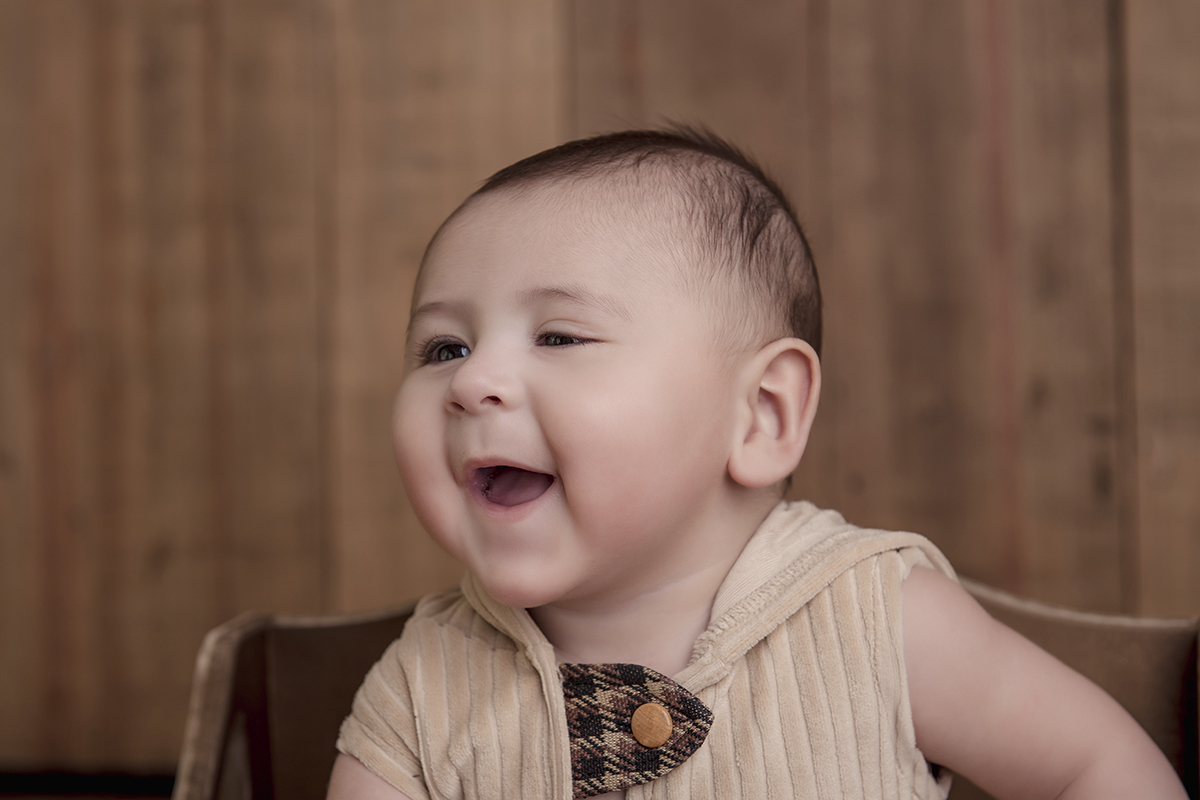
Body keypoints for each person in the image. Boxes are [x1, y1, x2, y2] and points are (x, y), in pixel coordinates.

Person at [326, 129, 1186, 800]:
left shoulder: (878, 621)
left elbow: (1093, 767)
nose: (472, 381)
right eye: (443, 347)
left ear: (762, 414)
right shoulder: (422, 689)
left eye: (559, 335)